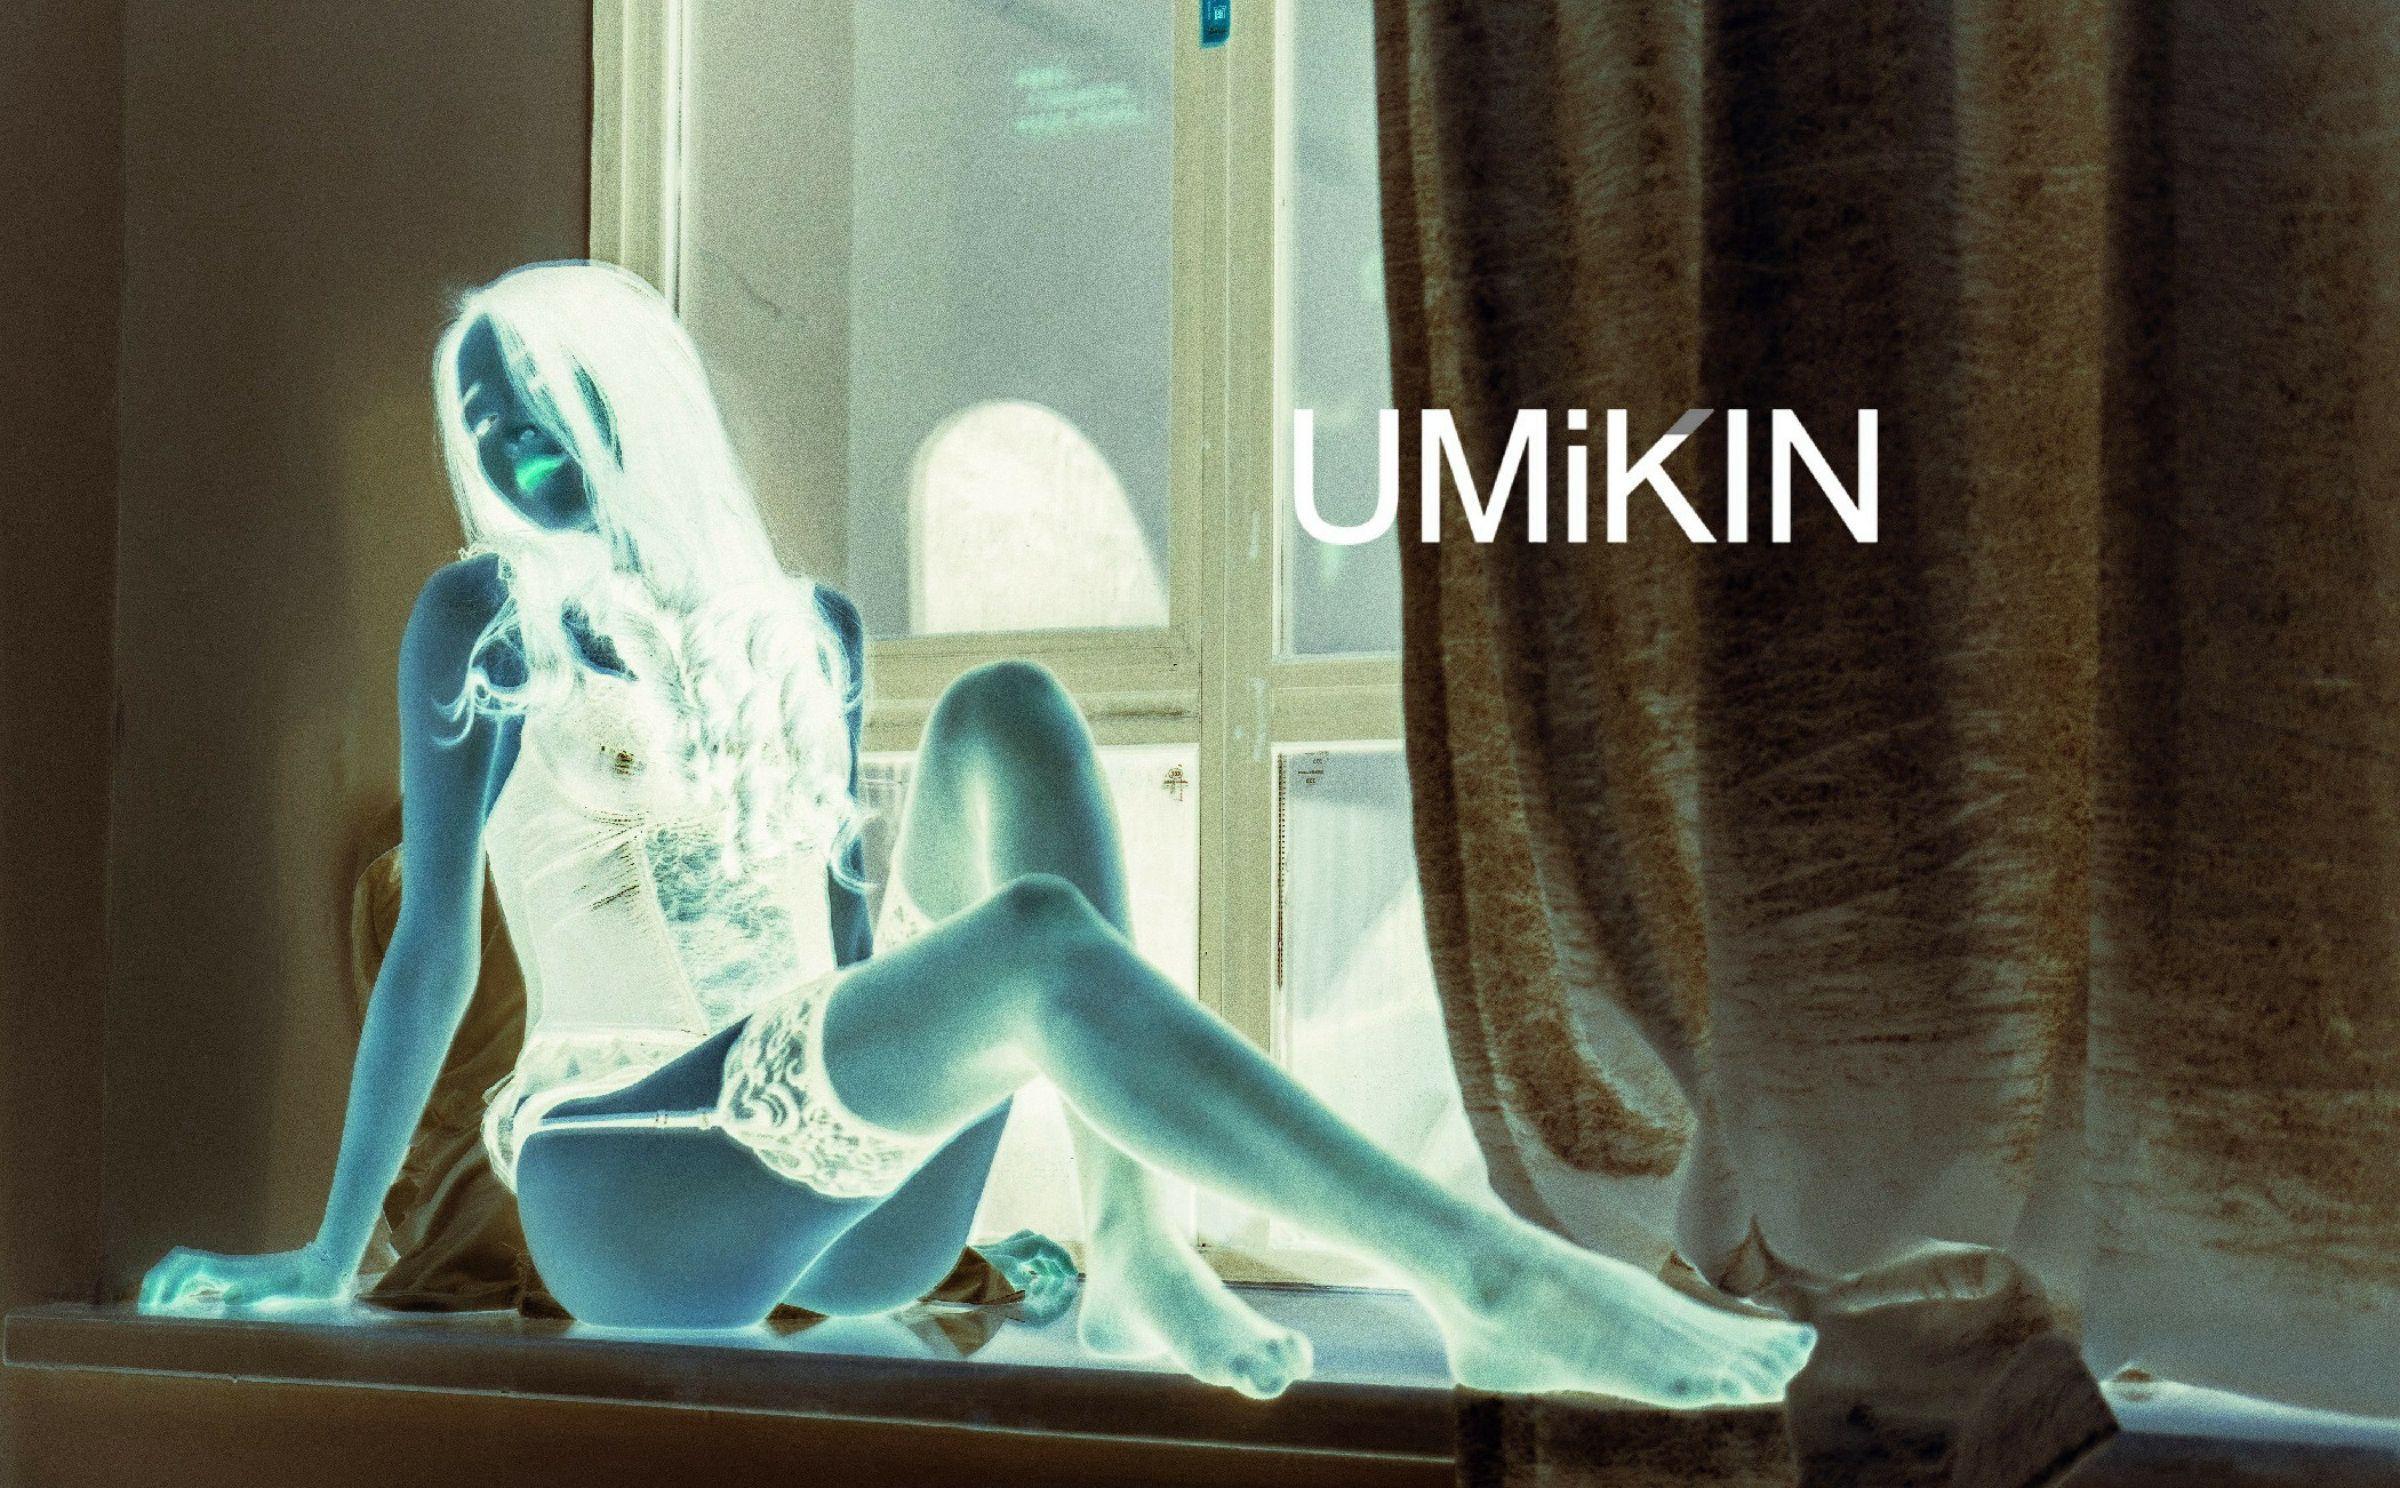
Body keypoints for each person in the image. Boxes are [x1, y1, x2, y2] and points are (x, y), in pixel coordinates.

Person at [140, 261, 1814, 1404]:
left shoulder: (805, 630)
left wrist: (946, 1195)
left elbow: (838, 962)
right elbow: (435, 945)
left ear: (634, 397)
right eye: (484, 423)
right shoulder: (486, 620)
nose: (512, 450)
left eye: (541, 402)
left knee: (1010, 706)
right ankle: (1491, 1279)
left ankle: (1136, 1241)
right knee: (1032, 950)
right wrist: (329, 1252)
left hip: (833, 1201)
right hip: (625, 1182)